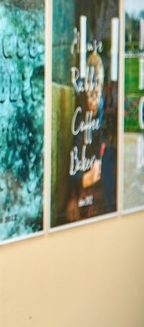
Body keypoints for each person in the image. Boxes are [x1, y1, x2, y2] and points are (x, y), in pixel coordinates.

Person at [67, 50, 116, 221]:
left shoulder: (106, 115)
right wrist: (82, 181)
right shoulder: (80, 115)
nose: (93, 91)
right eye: (90, 84)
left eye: (97, 85)